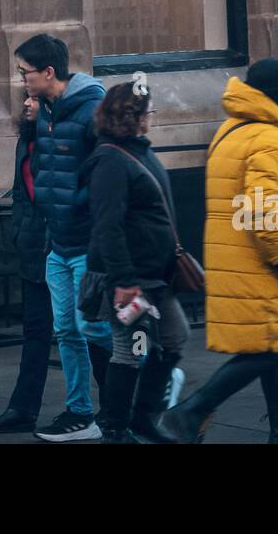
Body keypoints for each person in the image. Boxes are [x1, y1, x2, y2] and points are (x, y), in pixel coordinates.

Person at [161, 58, 278, 444]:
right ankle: (191, 411)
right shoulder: (268, 136)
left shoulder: (230, 128)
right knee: (271, 346)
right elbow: (262, 208)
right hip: (256, 259)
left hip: (230, 255)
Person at [13, 33, 112, 443]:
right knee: (67, 331)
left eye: (26, 74)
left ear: (49, 72)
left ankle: (125, 405)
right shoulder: (46, 111)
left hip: (86, 241)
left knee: (95, 330)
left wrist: (76, 204)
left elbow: (106, 169)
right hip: (59, 242)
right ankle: (79, 411)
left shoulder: (91, 110)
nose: (22, 81)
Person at [83, 82, 188, 444]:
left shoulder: (139, 153)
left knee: (173, 338)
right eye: (148, 113)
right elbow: (107, 226)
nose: (150, 120)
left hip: (155, 275)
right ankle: (116, 427)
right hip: (129, 277)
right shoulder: (111, 160)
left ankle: (142, 418)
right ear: (137, 117)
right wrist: (125, 280)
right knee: (129, 350)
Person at [0, 91, 54, 433]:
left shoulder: (60, 140)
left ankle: (118, 410)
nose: (26, 103)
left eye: (34, 99)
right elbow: (22, 193)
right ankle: (23, 408)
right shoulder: (25, 142)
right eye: (26, 97)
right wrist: (22, 233)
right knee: (36, 331)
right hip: (32, 248)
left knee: (83, 333)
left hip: (61, 250)